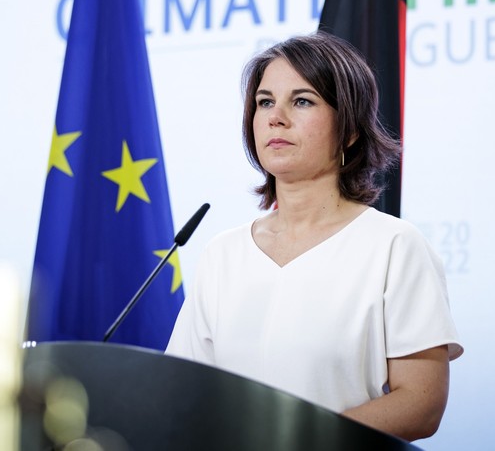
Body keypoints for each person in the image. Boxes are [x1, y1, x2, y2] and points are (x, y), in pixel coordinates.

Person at [165, 32, 463, 442]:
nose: (276, 117)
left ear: (351, 130)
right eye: (265, 101)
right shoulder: (223, 253)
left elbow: (421, 404)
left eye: (301, 101)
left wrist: (298, 438)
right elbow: (181, 392)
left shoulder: (394, 246)